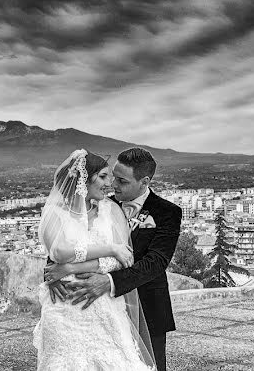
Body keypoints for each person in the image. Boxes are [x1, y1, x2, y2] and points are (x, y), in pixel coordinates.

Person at [57, 148, 182, 371]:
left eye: (122, 181)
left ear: (144, 182)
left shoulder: (168, 212)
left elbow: (156, 262)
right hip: (104, 308)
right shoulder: (101, 205)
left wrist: (110, 281)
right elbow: (70, 242)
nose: (113, 184)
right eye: (113, 176)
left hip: (147, 305)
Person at [33, 149, 156, 371]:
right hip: (63, 306)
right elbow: (59, 252)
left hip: (102, 304)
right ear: (83, 179)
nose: (110, 183)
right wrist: (110, 248)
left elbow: (123, 260)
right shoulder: (55, 212)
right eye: (103, 176)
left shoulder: (111, 211)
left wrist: (69, 267)